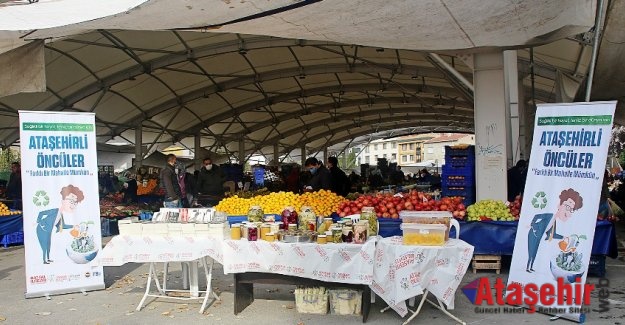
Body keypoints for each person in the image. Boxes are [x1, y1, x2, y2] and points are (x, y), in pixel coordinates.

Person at [526, 188, 583, 273]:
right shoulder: (550, 215)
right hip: (533, 234)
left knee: (535, 251)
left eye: (571, 209)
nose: (568, 212)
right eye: (567, 206)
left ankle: (530, 267)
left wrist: (564, 237)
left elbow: (553, 235)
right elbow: (537, 216)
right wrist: (533, 225)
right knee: (532, 251)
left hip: (538, 236)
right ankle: (527, 268)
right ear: (560, 205)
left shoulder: (553, 222)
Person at [36, 185, 83, 264]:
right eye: (71, 202)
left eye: (74, 203)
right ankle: (44, 260)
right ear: (63, 201)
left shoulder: (60, 215)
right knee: (44, 245)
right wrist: (40, 222)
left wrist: (73, 226)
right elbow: (41, 213)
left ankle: (48, 258)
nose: (72, 205)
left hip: (48, 230)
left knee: (48, 244)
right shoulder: (55, 211)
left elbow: (63, 226)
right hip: (41, 229)